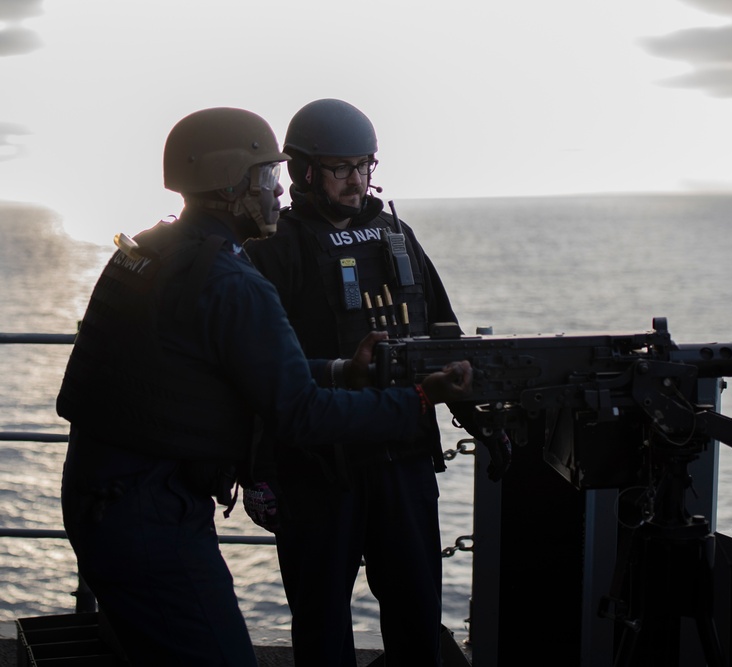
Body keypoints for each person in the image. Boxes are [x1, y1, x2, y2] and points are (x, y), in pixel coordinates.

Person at [56, 106, 472, 666]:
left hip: (119, 491)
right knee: (291, 630)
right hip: (238, 486)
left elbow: (233, 369)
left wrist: (343, 372)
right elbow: (292, 407)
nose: (275, 192)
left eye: (362, 167)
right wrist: (417, 400)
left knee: (413, 617)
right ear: (243, 183)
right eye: (269, 178)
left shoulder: (154, 251)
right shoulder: (241, 269)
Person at [243, 98, 508, 666]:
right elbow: (259, 374)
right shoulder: (274, 250)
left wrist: (481, 417)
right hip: (318, 468)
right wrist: (259, 470)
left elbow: (444, 330)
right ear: (304, 171)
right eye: (341, 168)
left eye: (365, 166)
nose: (357, 180)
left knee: (415, 612)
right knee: (321, 620)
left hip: (403, 457)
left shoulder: (396, 235)